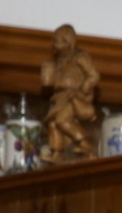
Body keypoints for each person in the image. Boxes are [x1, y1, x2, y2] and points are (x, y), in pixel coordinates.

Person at [40, 23, 99, 158]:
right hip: (59, 98)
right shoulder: (60, 60)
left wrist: (83, 89)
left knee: (62, 120)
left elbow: (94, 75)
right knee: (53, 124)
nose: (54, 44)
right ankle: (57, 152)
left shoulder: (80, 57)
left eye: (57, 40)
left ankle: (84, 142)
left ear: (67, 41)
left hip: (73, 96)